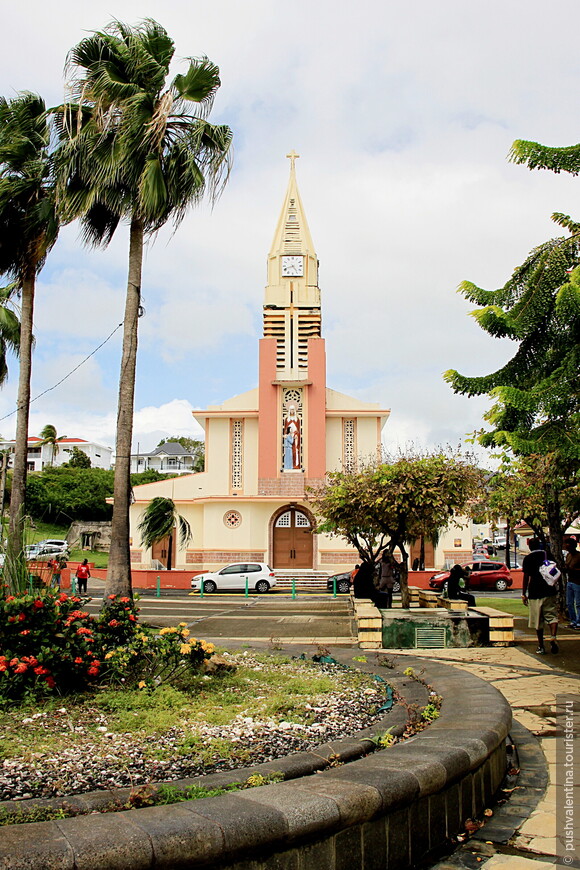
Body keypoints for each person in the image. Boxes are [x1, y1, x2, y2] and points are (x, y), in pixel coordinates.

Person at [522, 537, 559, 654]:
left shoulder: (528, 559)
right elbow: (555, 571)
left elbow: (526, 577)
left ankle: (541, 646)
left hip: (535, 591)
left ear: (529, 546)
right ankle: (553, 636)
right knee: (551, 615)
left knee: (538, 620)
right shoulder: (547, 555)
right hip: (549, 590)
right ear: (540, 545)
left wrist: (524, 593)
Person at [565, 536, 580, 630]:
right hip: (570, 581)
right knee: (569, 603)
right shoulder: (568, 556)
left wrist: (574, 569)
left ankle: (579, 622)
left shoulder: (579, 556)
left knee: (578, 603)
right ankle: (573, 621)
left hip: (578, 582)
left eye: (568, 545)